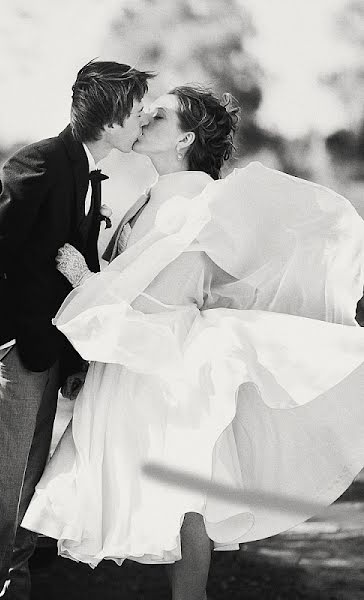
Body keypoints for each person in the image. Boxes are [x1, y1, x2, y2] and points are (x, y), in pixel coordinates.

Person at [21, 85, 364, 600]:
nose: (143, 116)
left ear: (183, 138)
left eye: (157, 115)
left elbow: (150, 285)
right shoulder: (156, 193)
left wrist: (83, 282)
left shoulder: (196, 198)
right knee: (166, 486)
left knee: (185, 488)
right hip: (137, 352)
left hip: (164, 357)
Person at [0, 60, 154, 600]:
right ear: (111, 120)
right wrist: (6, 344)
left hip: (46, 356)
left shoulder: (86, 171)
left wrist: (69, 361)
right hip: (14, 357)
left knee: (26, 498)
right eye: (136, 112)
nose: (143, 121)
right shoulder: (39, 163)